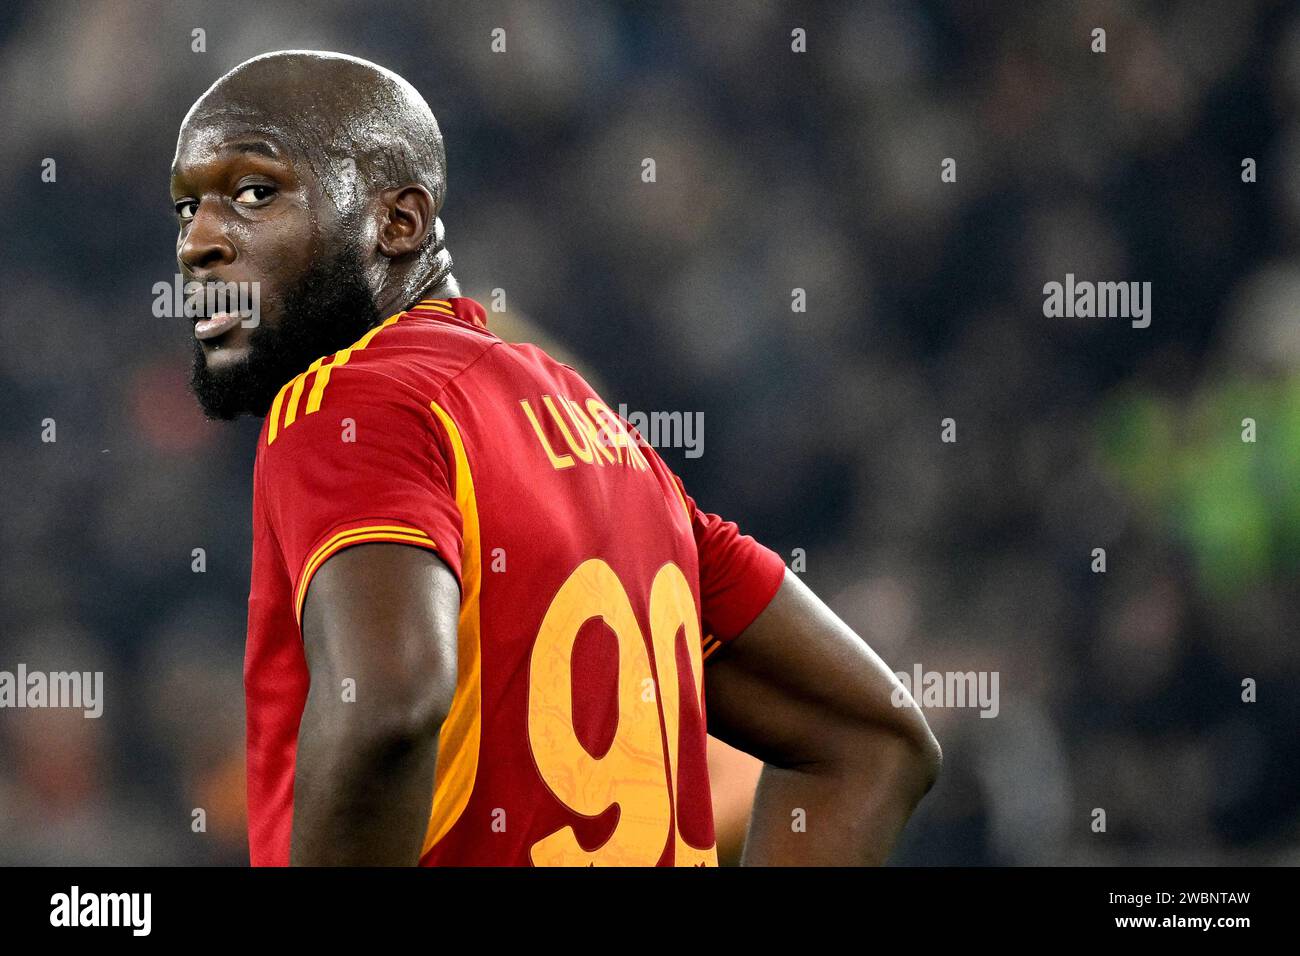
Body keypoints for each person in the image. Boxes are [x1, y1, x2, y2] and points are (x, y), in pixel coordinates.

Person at [170, 50, 941, 866]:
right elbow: (873, 738)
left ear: (398, 222)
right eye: (187, 208)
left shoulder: (346, 402)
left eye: (256, 192)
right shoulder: (614, 443)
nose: (199, 243)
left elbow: (388, 703)